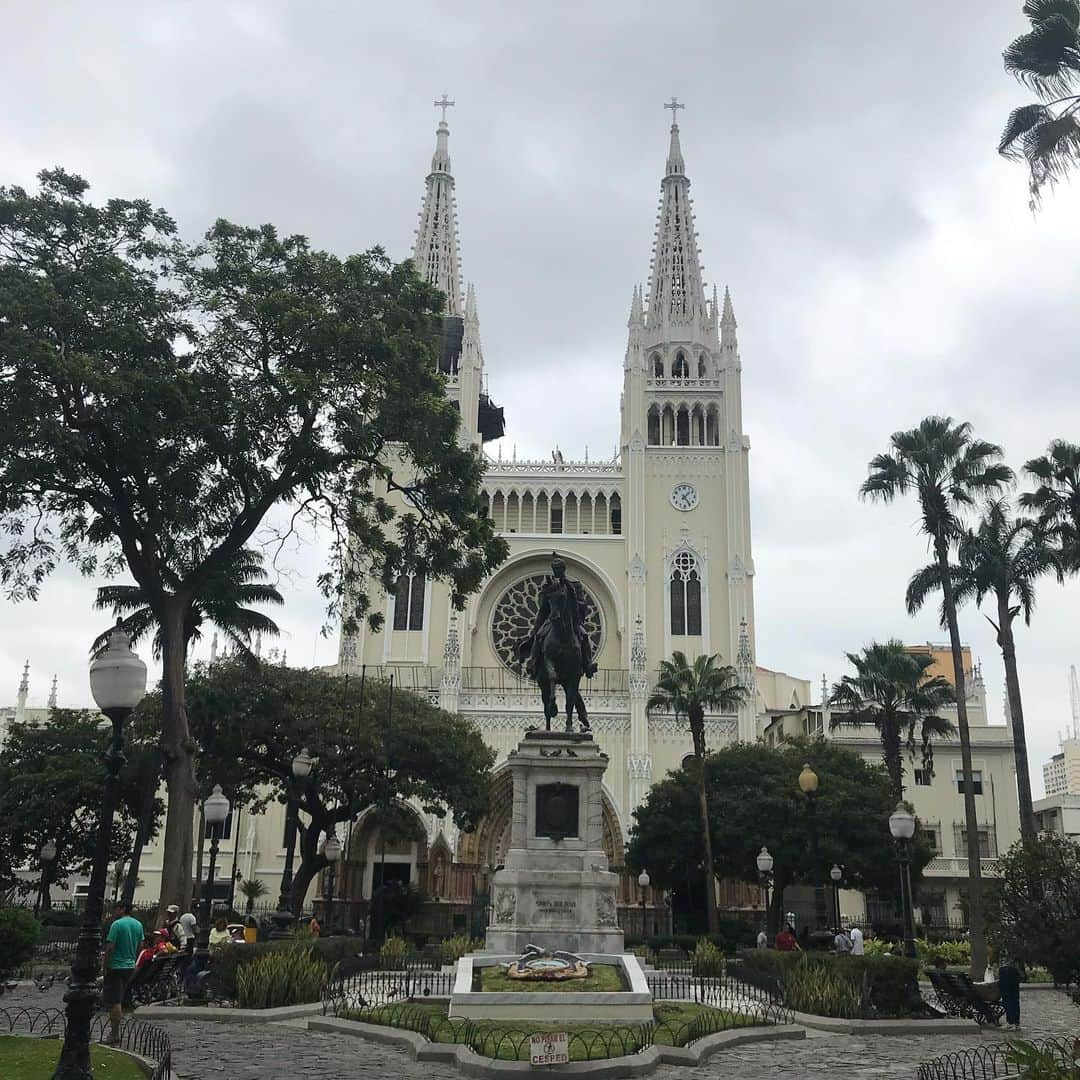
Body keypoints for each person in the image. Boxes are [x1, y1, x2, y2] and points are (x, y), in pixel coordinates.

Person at [102, 902, 145, 1045]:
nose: (114, 912)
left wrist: (105, 964)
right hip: (129, 965)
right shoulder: (138, 925)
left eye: (116, 909)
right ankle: (115, 1031)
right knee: (120, 996)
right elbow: (140, 945)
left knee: (115, 1001)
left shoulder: (117, 925)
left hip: (116, 966)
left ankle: (114, 1033)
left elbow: (110, 947)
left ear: (122, 909)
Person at [998, 952, 1022, 1030]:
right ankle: (1015, 1022)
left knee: (1008, 1000)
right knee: (1013, 1000)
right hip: (1012, 970)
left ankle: (1011, 1022)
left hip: (1007, 971)